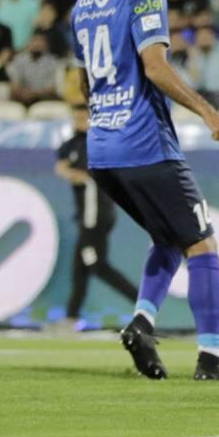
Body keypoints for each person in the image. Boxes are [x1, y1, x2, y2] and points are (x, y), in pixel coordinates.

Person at [72, 0, 219, 381]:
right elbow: (155, 67)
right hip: (143, 143)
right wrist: (208, 111)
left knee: (168, 239)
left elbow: (84, 83)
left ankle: (142, 324)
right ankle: (211, 358)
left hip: (102, 149)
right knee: (202, 245)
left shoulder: (82, 5)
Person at [55, 104, 138, 330]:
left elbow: (86, 176)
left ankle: (144, 304)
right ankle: (71, 317)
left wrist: (72, 172)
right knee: (80, 267)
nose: (80, 121)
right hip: (87, 215)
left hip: (96, 214)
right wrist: (68, 171)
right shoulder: (73, 143)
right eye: (77, 117)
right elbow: (62, 164)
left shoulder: (99, 142)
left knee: (95, 264)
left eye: (84, 117)